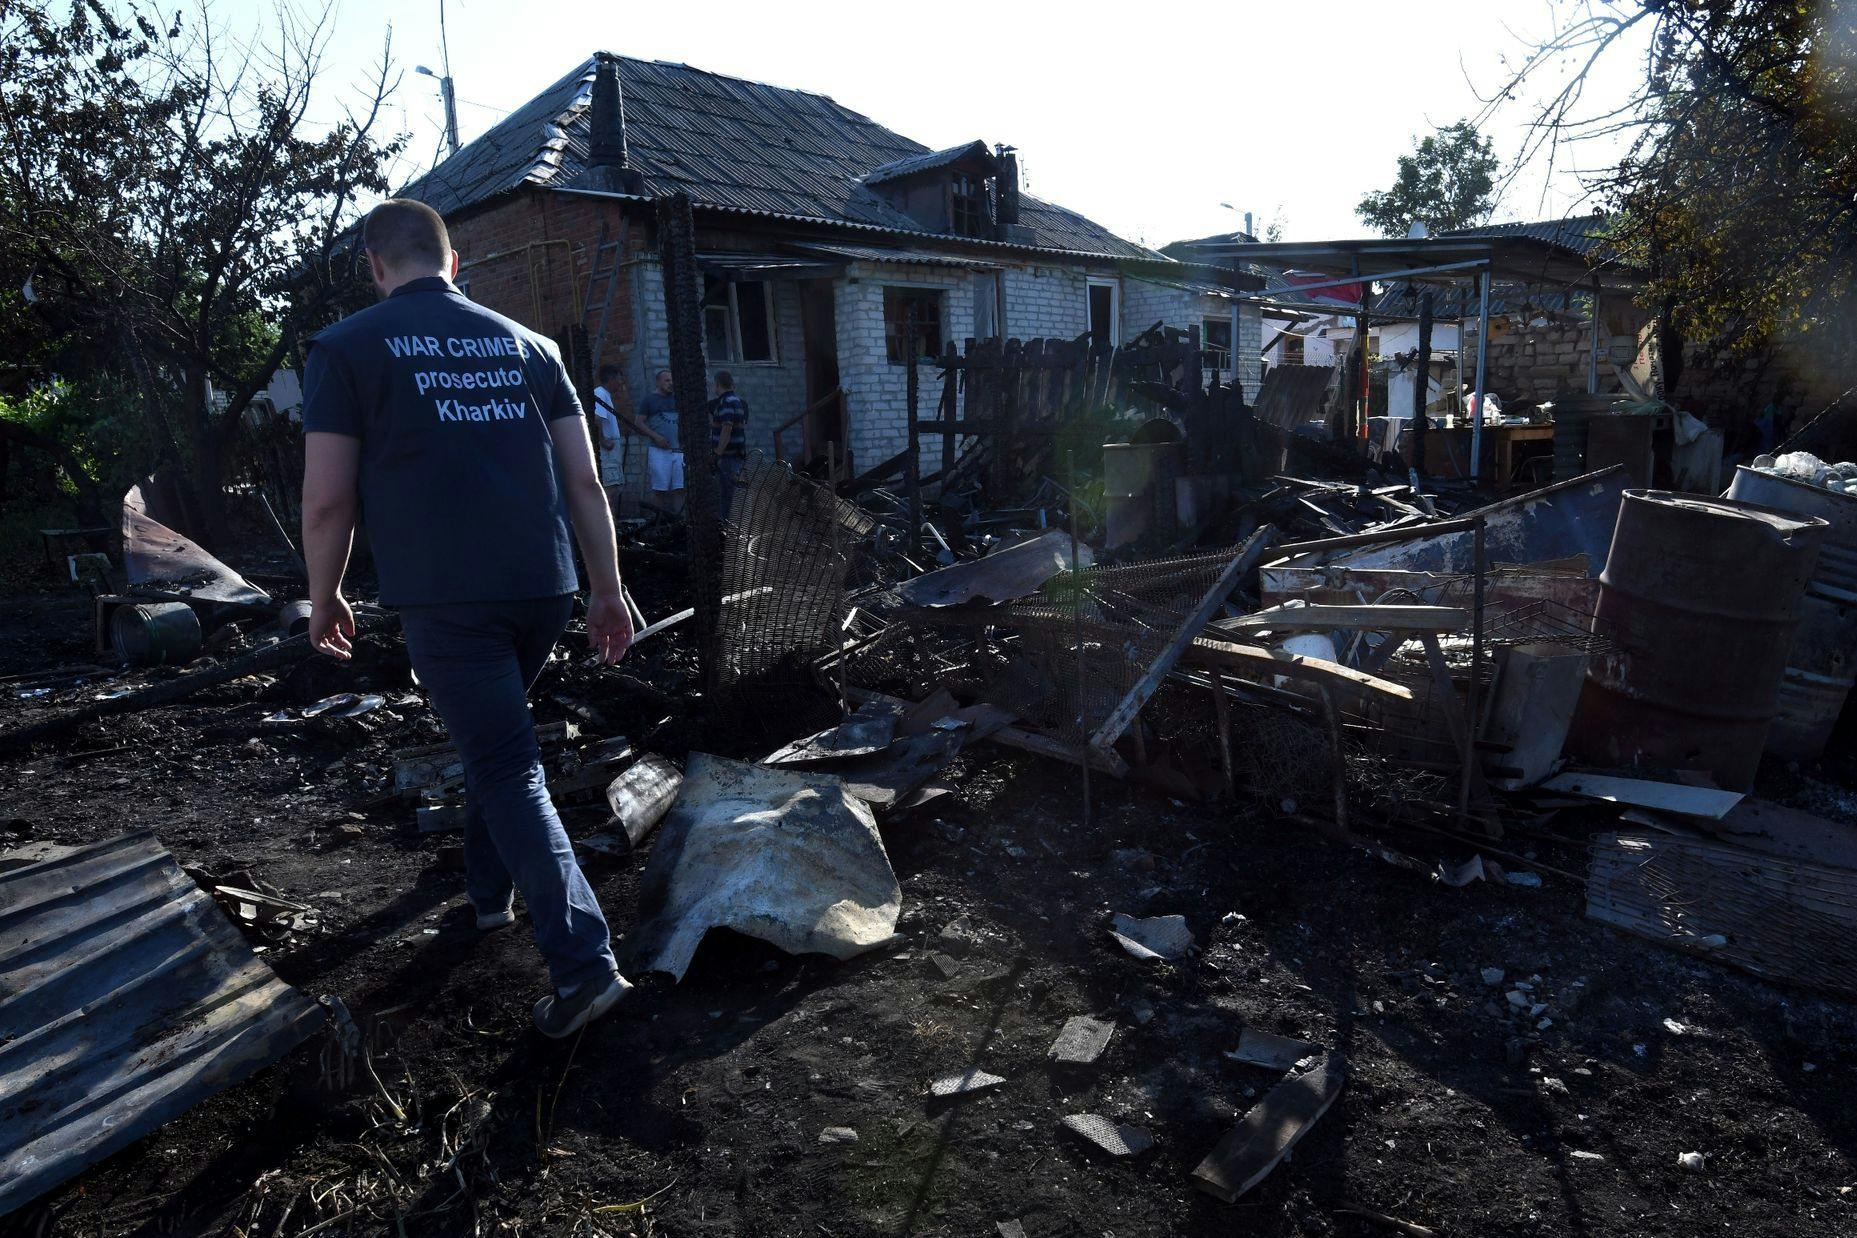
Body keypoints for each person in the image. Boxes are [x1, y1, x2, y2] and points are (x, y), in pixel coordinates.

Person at [299, 198, 634, 1039]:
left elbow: (328, 499)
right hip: (543, 589)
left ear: (375, 266)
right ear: (454, 263)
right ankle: (488, 895)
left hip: (447, 598)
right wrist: (606, 587)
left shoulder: (345, 348)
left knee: (506, 763)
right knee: (497, 743)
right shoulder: (535, 347)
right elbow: (584, 482)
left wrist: (324, 591)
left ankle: (584, 967)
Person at [636, 369, 684, 515]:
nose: (671, 383)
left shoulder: (679, 399)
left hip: (679, 451)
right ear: (658, 382)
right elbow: (639, 422)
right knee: (659, 490)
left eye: (672, 380)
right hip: (659, 452)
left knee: (680, 489)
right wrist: (656, 437)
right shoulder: (649, 400)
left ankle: (680, 521)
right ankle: (657, 521)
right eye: (667, 380)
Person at [709, 370, 748, 516]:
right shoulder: (735, 401)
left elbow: (727, 428)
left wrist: (717, 453)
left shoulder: (726, 402)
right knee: (728, 495)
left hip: (729, 457)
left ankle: (729, 526)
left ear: (717, 384)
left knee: (730, 496)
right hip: (733, 456)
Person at [590, 364, 626, 496]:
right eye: (619, 379)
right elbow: (597, 418)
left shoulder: (605, 394)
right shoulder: (600, 393)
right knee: (610, 486)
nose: (621, 382)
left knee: (614, 485)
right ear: (611, 379)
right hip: (607, 448)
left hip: (611, 446)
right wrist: (603, 440)